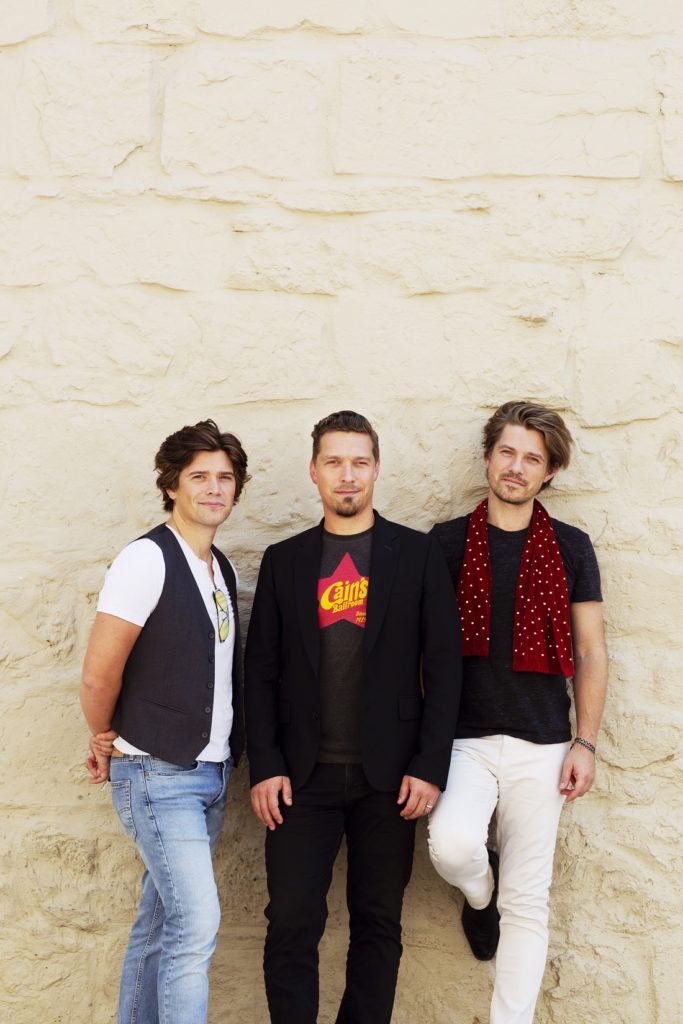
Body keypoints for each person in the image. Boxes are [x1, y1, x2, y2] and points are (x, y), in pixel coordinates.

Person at [245, 409, 461, 1024]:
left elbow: (445, 670)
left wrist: (430, 766)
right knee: (291, 920)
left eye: (359, 462)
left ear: (376, 469)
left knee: (378, 922)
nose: (347, 475)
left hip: (390, 779)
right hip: (299, 779)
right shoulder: (284, 559)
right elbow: (259, 672)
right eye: (334, 462)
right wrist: (265, 766)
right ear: (313, 471)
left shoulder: (416, 554)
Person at [428, 400, 608, 1024]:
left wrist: (585, 742)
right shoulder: (446, 543)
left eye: (532, 458)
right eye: (507, 451)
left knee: (528, 902)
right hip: (464, 739)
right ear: (487, 457)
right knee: (453, 847)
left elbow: (590, 650)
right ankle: (481, 894)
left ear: (549, 472)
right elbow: (421, 650)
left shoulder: (572, 547)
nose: (516, 466)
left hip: (544, 744)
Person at [80, 419, 249, 1024]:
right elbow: (99, 674)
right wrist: (104, 736)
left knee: (158, 926)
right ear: (171, 486)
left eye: (225, 477)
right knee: (195, 925)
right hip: (156, 772)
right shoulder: (145, 559)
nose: (214, 487)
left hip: (210, 775)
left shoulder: (220, 567)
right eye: (199, 476)